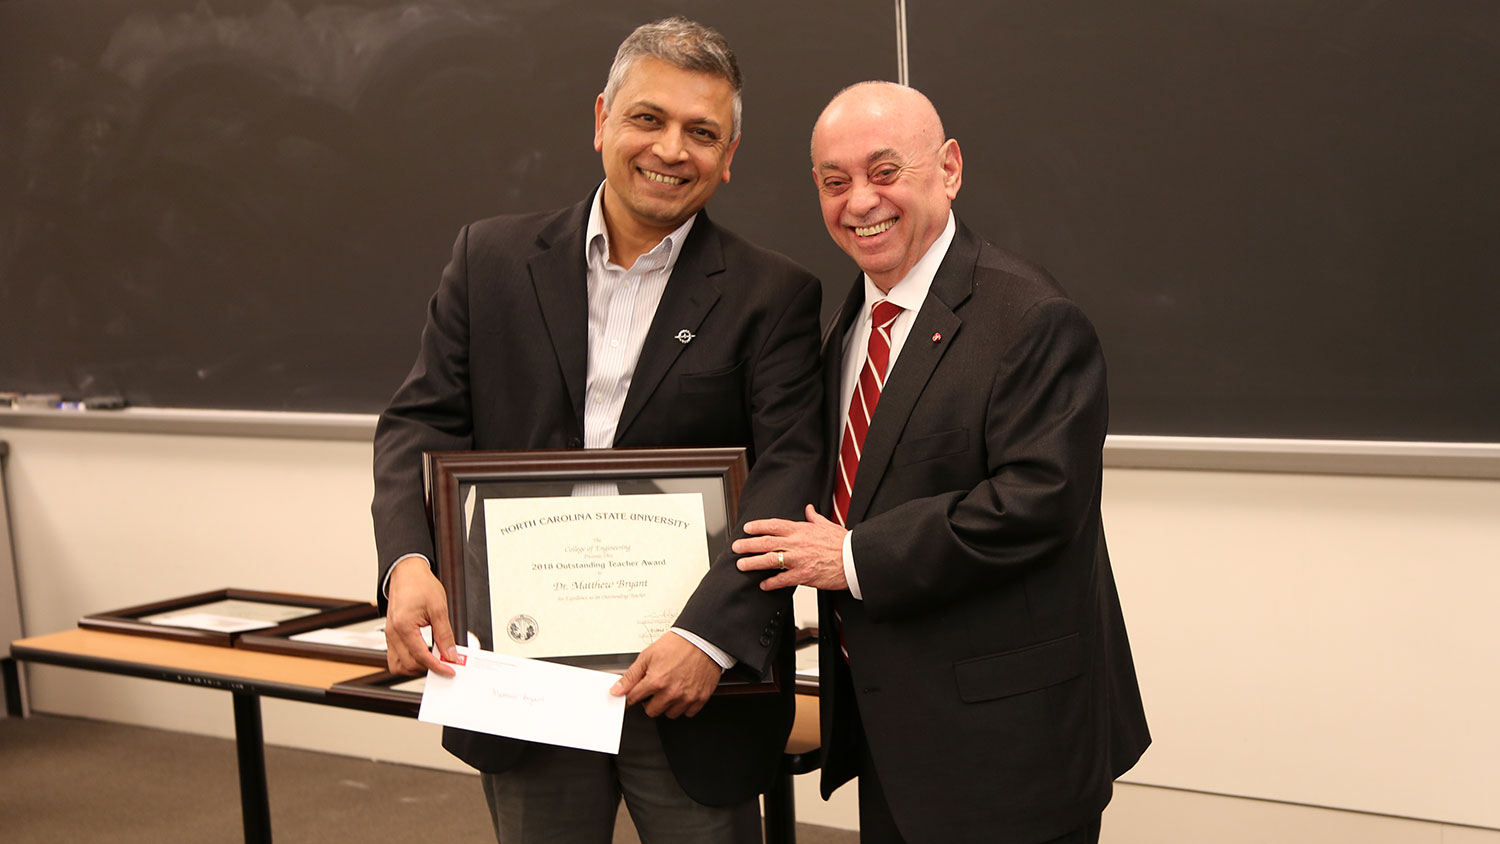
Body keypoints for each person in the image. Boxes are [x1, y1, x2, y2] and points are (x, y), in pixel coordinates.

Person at [371, 18, 824, 844]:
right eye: (648, 118)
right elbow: (419, 422)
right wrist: (408, 562)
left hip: (693, 679)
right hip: (522, 669)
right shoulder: (490, 260)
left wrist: (708, 636)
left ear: (728, 160)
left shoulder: (775, 296)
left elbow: (789, 472)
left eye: (702, 132)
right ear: (602, 121)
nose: (670, 149)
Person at [732, 82, 1150, 844]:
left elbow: (1037, 502)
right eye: (834, 182)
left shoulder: (1030, 318)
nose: (860, 202)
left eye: (884, 172)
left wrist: (851, 556)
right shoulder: (850, 323)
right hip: (899, 730)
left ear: (949, 168)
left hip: (1009, 742)